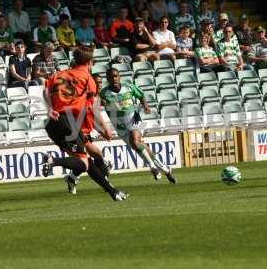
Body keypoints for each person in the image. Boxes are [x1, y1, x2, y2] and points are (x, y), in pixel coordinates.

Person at [43, 48, 127, 201]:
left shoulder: (59, 74)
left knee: (84, 163)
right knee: (83, 163)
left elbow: (46, 90)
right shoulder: (88, 80)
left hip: (52, 123)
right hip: (67, 123)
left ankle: (113, 191)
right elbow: (94, 110)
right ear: (90, 62)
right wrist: (105, 129)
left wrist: (49, 108)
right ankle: (52, 161)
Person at [100, 67, 177, 183]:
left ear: (119, 76)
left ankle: (153, 167)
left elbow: (141, 95)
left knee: (135, 141)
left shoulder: (128, 87)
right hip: (119, 125)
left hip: (134, 119)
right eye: (111, 77)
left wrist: (145, 105)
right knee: (139, 147)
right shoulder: (104, 93)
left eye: (116, 76)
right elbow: (99, 104)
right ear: (108, 79)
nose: (114, 78)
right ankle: (166, 169)